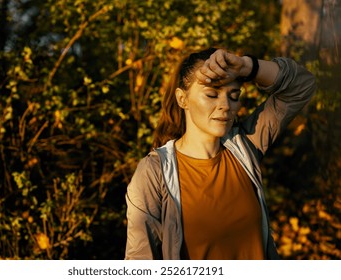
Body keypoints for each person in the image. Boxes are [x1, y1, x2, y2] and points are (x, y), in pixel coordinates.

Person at [124, 48, 316, 260]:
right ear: (182, 99)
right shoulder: (154, 172)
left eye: (234, 96)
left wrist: (246, 66)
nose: (225, 106)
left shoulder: (245, 146)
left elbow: (301, 85)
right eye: (212, 95)